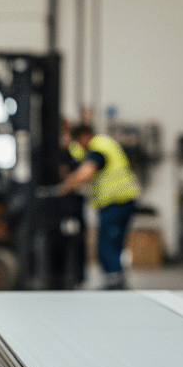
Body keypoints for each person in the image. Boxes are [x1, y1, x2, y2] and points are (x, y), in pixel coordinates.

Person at [57, 123, 141, 289]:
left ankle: (116, 285)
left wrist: (65, 186)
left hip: (117, 201)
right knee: (112, 243)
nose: (77, 145)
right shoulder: (97, 145)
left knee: (107, 245)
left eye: (77, 141)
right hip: (118, 201)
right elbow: (76, 159)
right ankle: (114, 282)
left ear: (85, 137)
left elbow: (88, 170)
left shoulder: (100, 146)